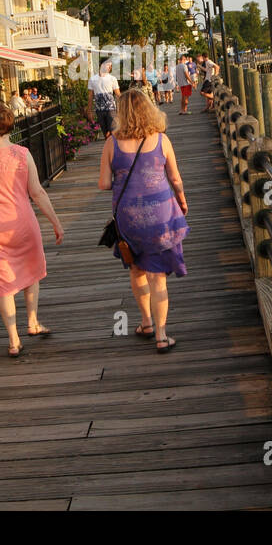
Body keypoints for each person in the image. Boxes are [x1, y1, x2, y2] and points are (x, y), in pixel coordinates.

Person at [0, 103, 64, 357]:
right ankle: (32, 322)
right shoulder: (22, 154)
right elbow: (37, 192)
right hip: (22, 224)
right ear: (10, 126)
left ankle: (13, 340)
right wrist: (55, 221)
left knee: (3, 285)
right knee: (31, 273)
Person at [98, 89, 188, 353]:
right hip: (161, 215)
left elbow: (104, 183)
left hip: (129, 217)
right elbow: (175, 179)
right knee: (158, 276)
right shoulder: (161, 139)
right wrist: (181, 200)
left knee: (137, 269)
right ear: (149, 109)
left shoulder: (111, 143)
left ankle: (146, 323)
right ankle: (161, 336)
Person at [89, 59, 121, 134]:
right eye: (108, 65)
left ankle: (114, 144)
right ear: (102, 65)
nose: (110, 67)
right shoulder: (92, 79)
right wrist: (89, 111)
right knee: (105, 132)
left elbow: (118, 95)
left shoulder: (112, 79)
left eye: (111, 66)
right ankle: (109, 144)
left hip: (111, 109)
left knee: (113, 131)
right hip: (99, 110)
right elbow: (90, 96)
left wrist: (122, 108)